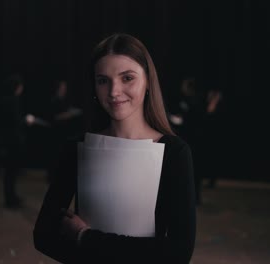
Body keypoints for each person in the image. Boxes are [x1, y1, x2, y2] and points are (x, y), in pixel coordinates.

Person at [33, 33, 196, 263]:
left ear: (148, 80)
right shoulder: (77, 147)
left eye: (127, 78)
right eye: (103, 80)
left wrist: (85, 238)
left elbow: (178, 254)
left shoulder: (174, 153)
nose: (113, 91)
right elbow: (43, 236)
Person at [0, 74, 34, 209]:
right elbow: (15, 122)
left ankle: (10, 196)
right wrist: (26, 121)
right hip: (13, 141)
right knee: (11, 171)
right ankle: (11, 198)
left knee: (9, 171)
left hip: (6, 140)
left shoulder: (3, 100)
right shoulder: (14, 101)